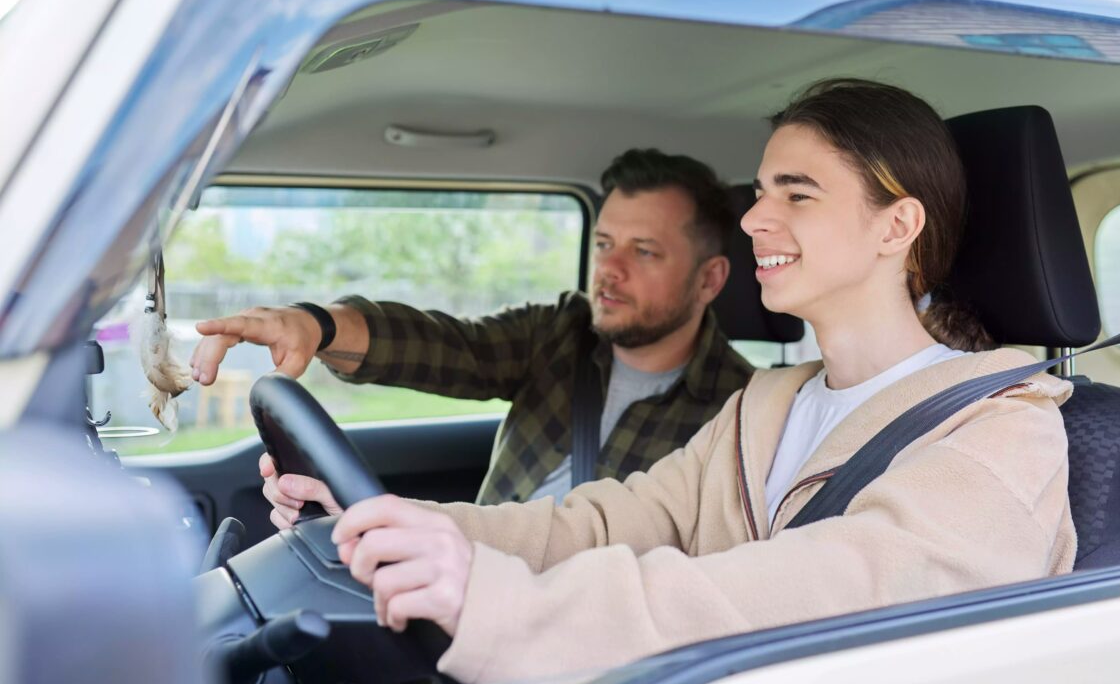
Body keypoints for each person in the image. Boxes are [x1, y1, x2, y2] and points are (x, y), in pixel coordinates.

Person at [264, 79, 1077, 684]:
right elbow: (601, 525)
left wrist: (500, 601)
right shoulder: (764, 404)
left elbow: (817, 595)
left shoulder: (1003, 430)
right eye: (760, 194)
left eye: (797, 193)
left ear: (897, 226)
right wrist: (387, 524)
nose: (755, 218)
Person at [191, 150, 755, 514]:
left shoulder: (742, 413)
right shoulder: (562, 332)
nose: (609, 268)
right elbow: (447, 346)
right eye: (604, 244)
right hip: (462, 584)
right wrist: (318, 324)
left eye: (645, 251)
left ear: (709, 279)